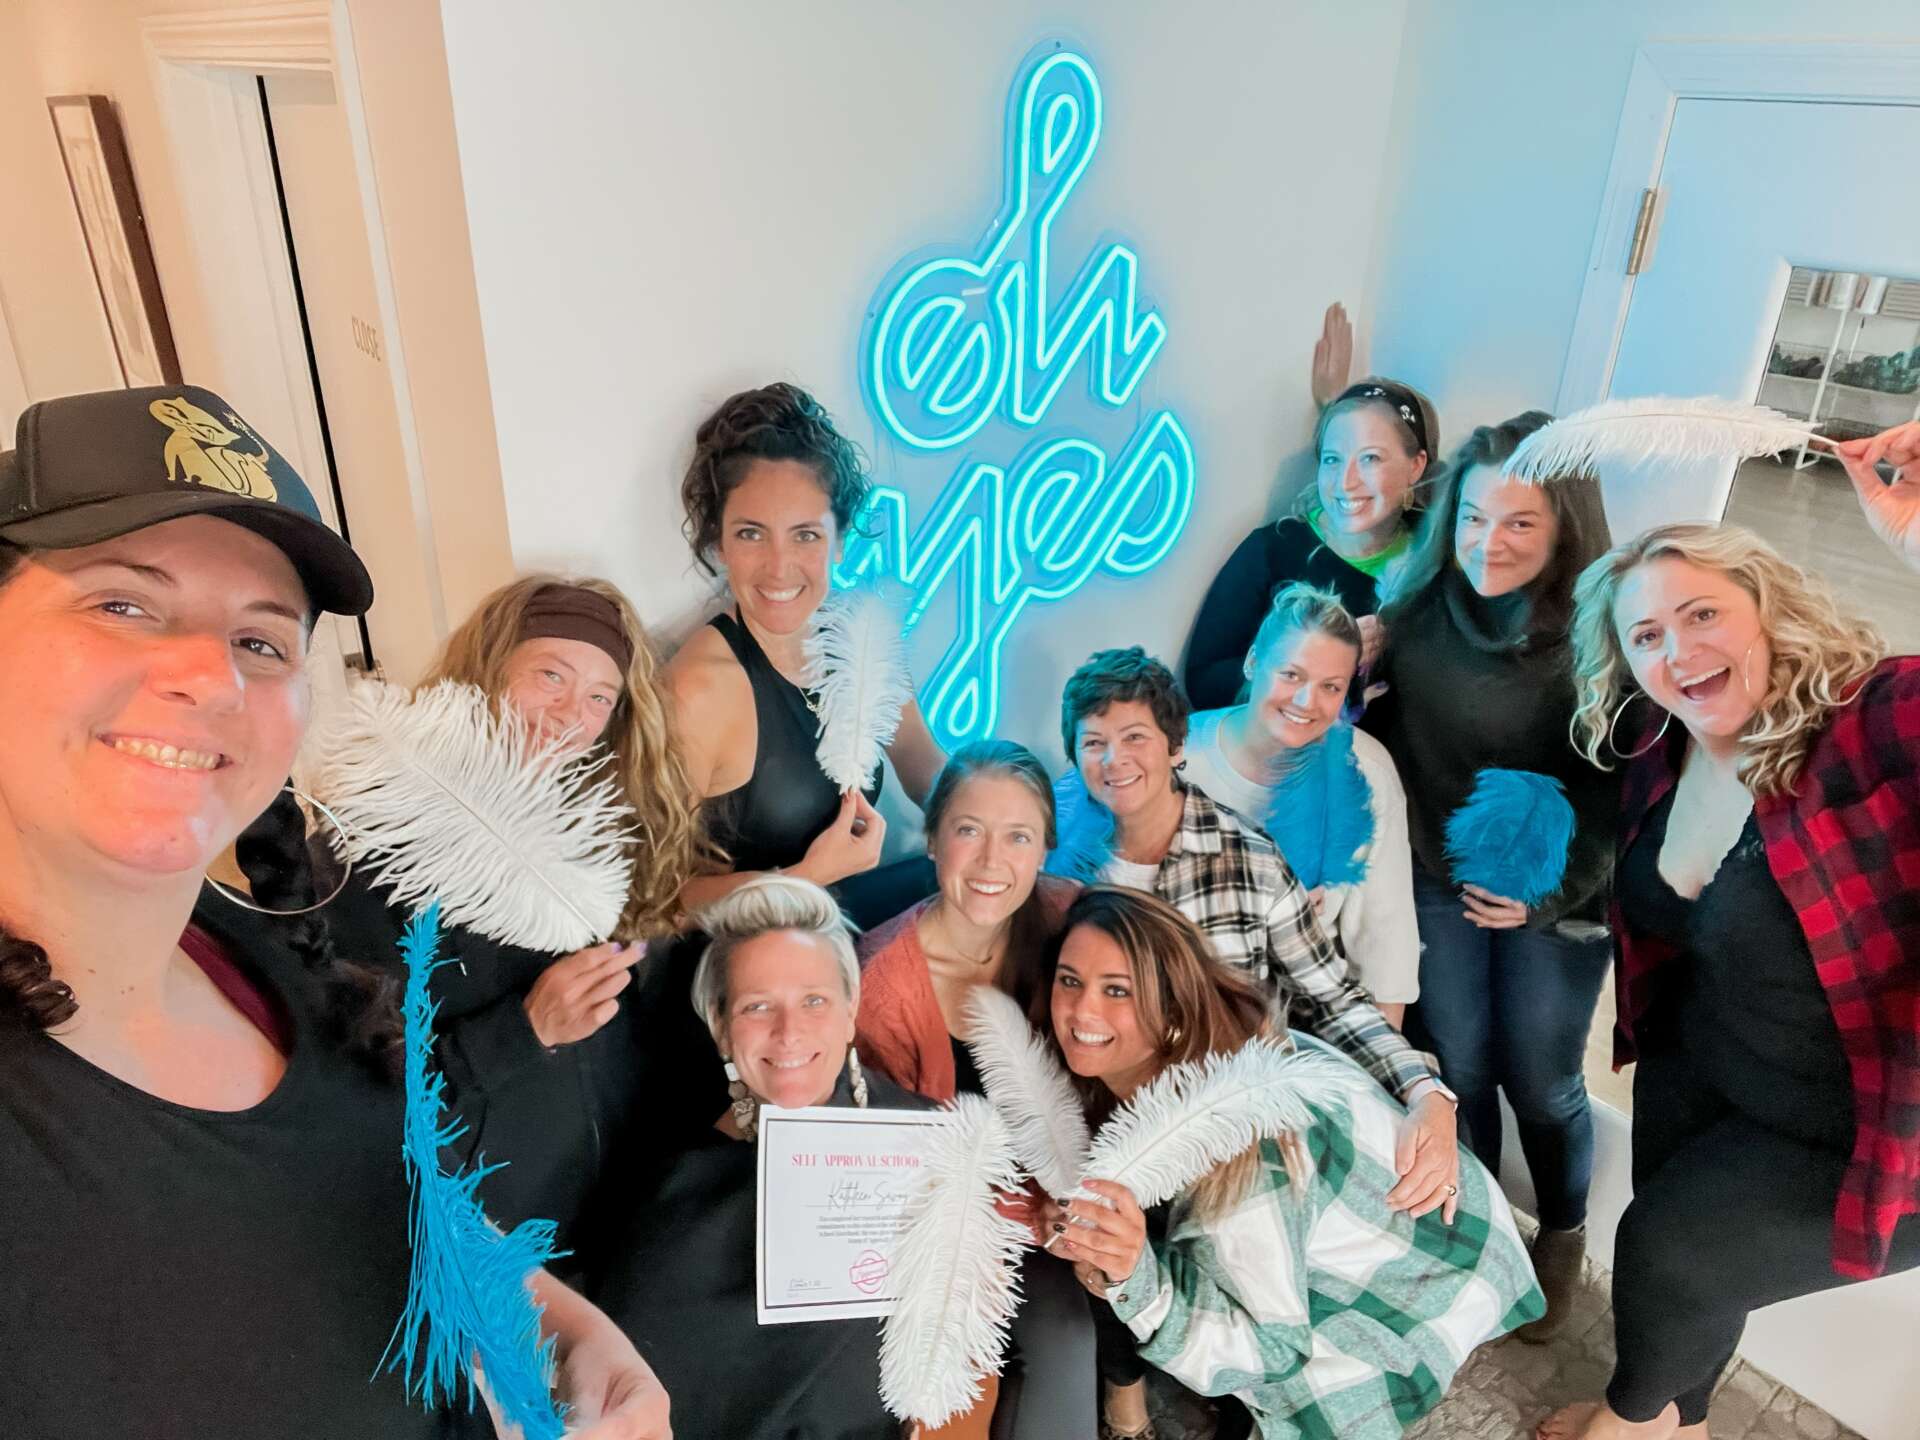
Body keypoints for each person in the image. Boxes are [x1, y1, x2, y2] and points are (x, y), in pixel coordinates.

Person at [0, 385, 668, 1439]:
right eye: (122, 604)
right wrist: (526, 1032)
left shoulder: (264, 954)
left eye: (262, 641)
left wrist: (557, 1322)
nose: (209, 675)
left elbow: (380, 1195)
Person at [1536, 521, 1920, 1440]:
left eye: (1702, 614)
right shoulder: (1659, 745)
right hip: (1713, 1065)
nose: (1678, 650)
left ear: (1769, 607)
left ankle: (1630, 1424)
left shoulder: (1869, 722)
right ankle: (1686, 1418)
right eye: (1647, 635)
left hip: (1873, 1125)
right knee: (1694, 1270)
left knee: (1670, 1254)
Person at [1028, 887, 1540, 1440]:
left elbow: (1269, 1351)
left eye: (1118, 990)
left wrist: (1136, 1277)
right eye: (1070, 980)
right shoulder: (1203, 1045)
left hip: (1414, 1272)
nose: (1082, 1011)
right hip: (1343, 1226)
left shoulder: (1243, 1165)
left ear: (1172, 1008)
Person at [314, 573, 702, 1259]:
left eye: (599, 697)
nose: (570, 715)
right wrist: (525, 1030)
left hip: (616, 1215)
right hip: (484, 1238)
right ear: (491, 667)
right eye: (550, 676)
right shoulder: (371, 849)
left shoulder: (602, 827)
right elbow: (350, 1095)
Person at [1359, 412, 1618, 1338]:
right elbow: (1374, 728)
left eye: (1518, 522)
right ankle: (1480, 1232)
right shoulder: (1416, 611)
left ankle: (1563, 1232)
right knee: (1460, 1067)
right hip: (1438, 876)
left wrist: (1549, 893)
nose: (1487, 541)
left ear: (1563, 527)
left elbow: (1630, 793)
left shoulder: (1606, 632)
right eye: (1473, 516)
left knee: (1542, 1080)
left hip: (1559, 893)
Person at [1050, 647, 1463, 1219]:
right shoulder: (1058, 869)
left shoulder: (1249, 859)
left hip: (1230, 1142)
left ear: (1176, 747)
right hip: (1094, 1135)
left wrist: (1426, 1092)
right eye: (1094, 742)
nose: (1114, 759)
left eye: (1135, 737)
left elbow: (1333, 1000)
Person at [593, 876, 946, 1440]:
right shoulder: (675, 1198)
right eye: (758, 1007)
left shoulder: (934, 1143)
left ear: (850, 1010)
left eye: (814, 1001)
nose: (789, 1033)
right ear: (721, 1028)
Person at [857, 741, 1095, 1440]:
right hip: (955, 1221)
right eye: (969, 831)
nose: (993, 861)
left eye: (1018, 836)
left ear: (1045, 848)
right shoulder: (880, 986)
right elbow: (896, 1171)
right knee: (1060, 1340)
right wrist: (1036, 1215)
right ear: (933, 840)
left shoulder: (1073, 918)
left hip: (1079, 1189)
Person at [665, 381, 946, 927]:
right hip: (742, 958)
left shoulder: (858, 637)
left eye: (805, 536)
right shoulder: (698, 689)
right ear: (718, 543)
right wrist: (802, 878)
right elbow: (651, 906)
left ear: (839, 541)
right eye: (752, 534)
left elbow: (922, 763)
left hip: (835, 931)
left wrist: (987, 819)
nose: (779, 567)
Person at [1180, 582, 1419, 1027]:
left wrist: (1385, 1062)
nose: (1307, 702)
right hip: (1184, 998)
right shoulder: (1177, 754)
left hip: (1303, 1012)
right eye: (1291, 675)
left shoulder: (1367, 771)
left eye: (1331, 687)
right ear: (1253, 662)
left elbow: (1385, 942)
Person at [1183, 338, 1438, 708]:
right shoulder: (1274, 551)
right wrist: (1319, 659)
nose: (1346, 482)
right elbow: (1205, 680)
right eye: (1332, 459)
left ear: (1416, 466)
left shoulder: (1435, 563)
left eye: (1370, 458)